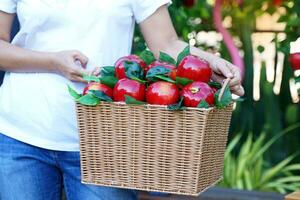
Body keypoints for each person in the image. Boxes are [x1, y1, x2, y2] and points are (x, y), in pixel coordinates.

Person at [0, 1, 244, 200]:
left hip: (106, 144)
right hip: (20, 134)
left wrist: (210, 64)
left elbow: (166, 44)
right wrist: (53, 62)